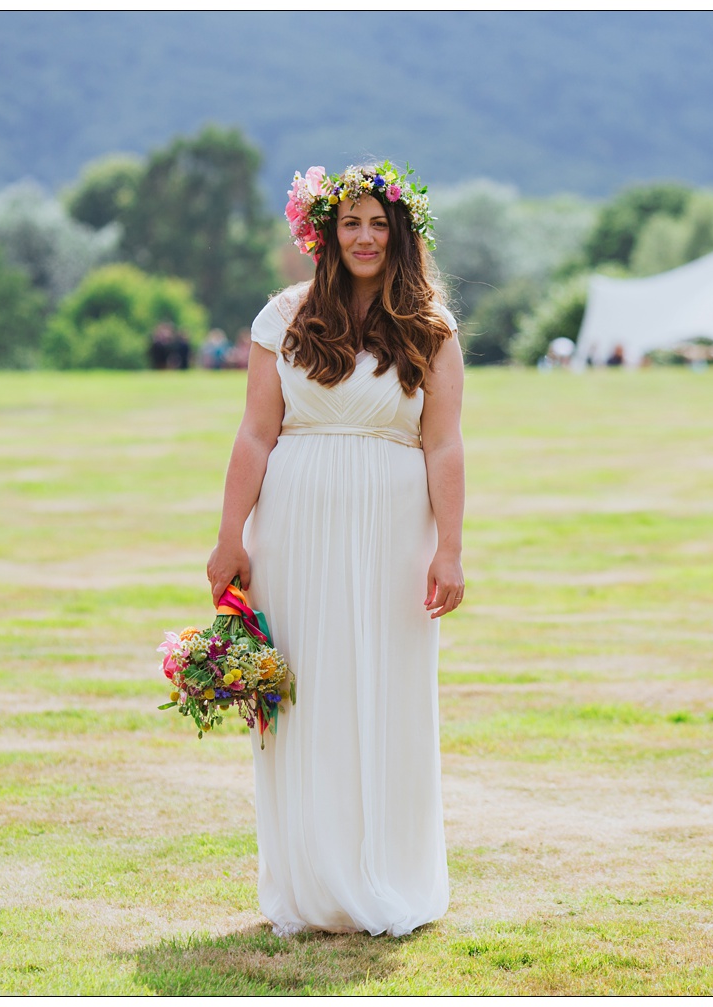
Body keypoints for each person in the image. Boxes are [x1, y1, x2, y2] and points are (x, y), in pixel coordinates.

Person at [206, 160, 464, 938]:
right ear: (325, 231)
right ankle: (311, 881)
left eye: (378, 223)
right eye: (350, 222)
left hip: (394, 530)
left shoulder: (430, 325)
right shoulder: (281, 316)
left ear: (401, 234)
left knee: (384, 688)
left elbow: (444, 446)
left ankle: (385, 869)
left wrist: (449, 549)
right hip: (292, 527)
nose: (364, 237)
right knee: (305, 693)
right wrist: (228, 536)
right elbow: (255, 433)